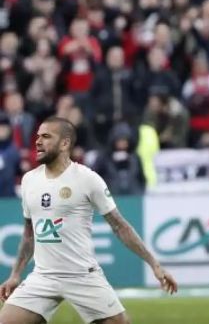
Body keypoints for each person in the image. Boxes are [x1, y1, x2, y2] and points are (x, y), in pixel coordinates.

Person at [0, 117, 177, 324]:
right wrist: (15, 274)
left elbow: (120, 226)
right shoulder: (30, 180)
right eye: (38, 136)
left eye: (46, 136)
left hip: (82, 276)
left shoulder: (87, 179)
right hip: (43, 277)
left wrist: (155, 265)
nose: (38, 141)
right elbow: (29, 234)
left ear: (65, 143)